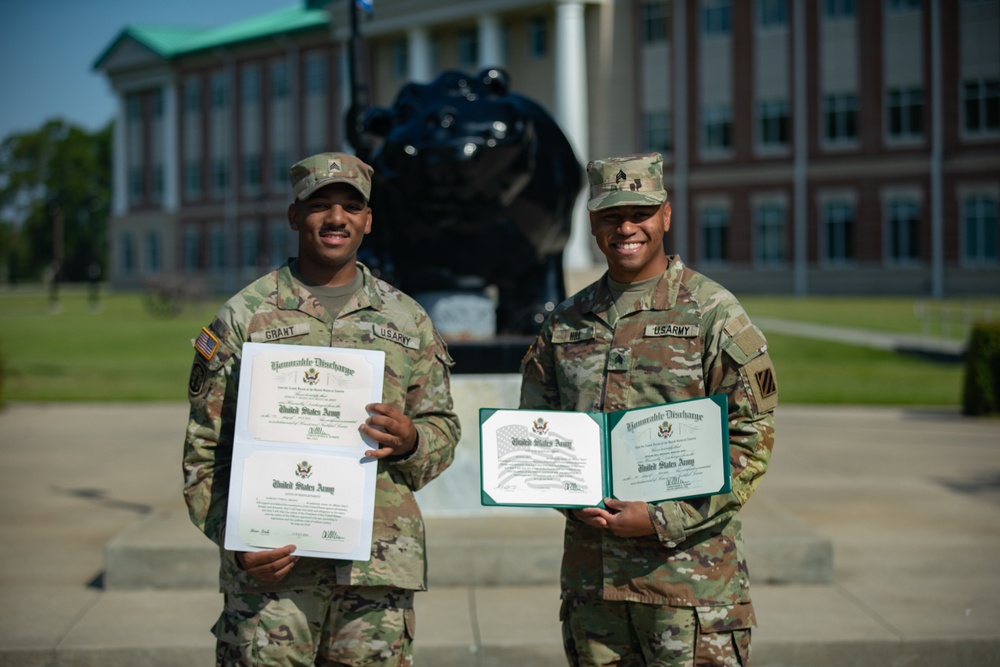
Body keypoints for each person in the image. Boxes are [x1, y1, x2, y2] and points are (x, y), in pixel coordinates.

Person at [183, 152, 461, 666]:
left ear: (368, 220)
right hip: (272, 576)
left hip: (375, 575)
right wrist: (237, 541)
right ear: (295, 216)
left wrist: (411, 441)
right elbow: (204, 453)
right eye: (320, 205)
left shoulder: (407, 319)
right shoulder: (245, 316)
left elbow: (441, 428)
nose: (336, 218)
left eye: (351, 206)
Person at [519, 153, 777, 666]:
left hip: (689, 590)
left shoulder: (712, 313)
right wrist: (568, 495)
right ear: (592, 223)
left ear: (666, 215)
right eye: (612, 215)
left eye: (640, 212)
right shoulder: (566, 323)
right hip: (596, 593)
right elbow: (537, 431)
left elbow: (750, 439)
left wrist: (661, 517)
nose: (627, 227)